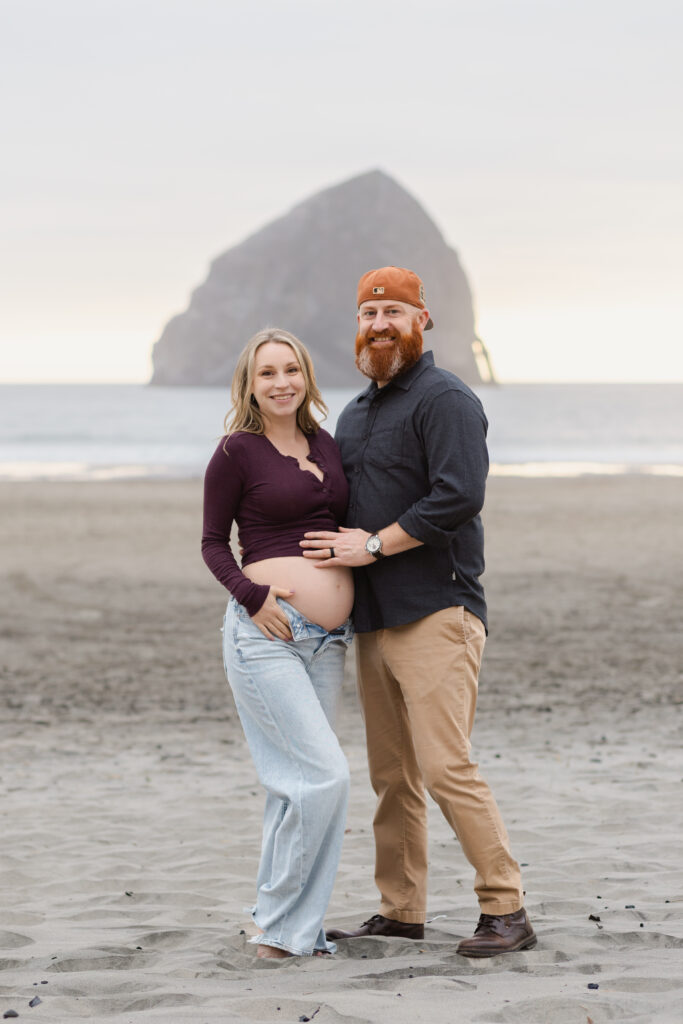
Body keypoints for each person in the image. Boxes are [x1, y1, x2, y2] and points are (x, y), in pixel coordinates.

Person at [300, 267, 536, 957]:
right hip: (372, 619)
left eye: (392, 311)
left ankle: (506, 909)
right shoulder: (353, 414)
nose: (378, 323)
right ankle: (401, 912)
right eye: (368, 310)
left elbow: (458, 495)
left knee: (445, 768)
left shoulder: (446, 398)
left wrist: (373, 544)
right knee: (391, 777)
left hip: (438, 608)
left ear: (421, 320)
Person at [202, 327, 354, 959]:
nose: (282, 381)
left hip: (330, 642)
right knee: (327, 779)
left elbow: (342, 524)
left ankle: (293, 927)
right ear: (250, 384)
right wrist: (254, 596)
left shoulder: (327, 444)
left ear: (306, 377)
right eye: (268, 373)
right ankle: (278, 926)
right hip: (268, 635)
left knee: (294, 786)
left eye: (291, 369)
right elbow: (212, 543)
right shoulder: (236, 452)